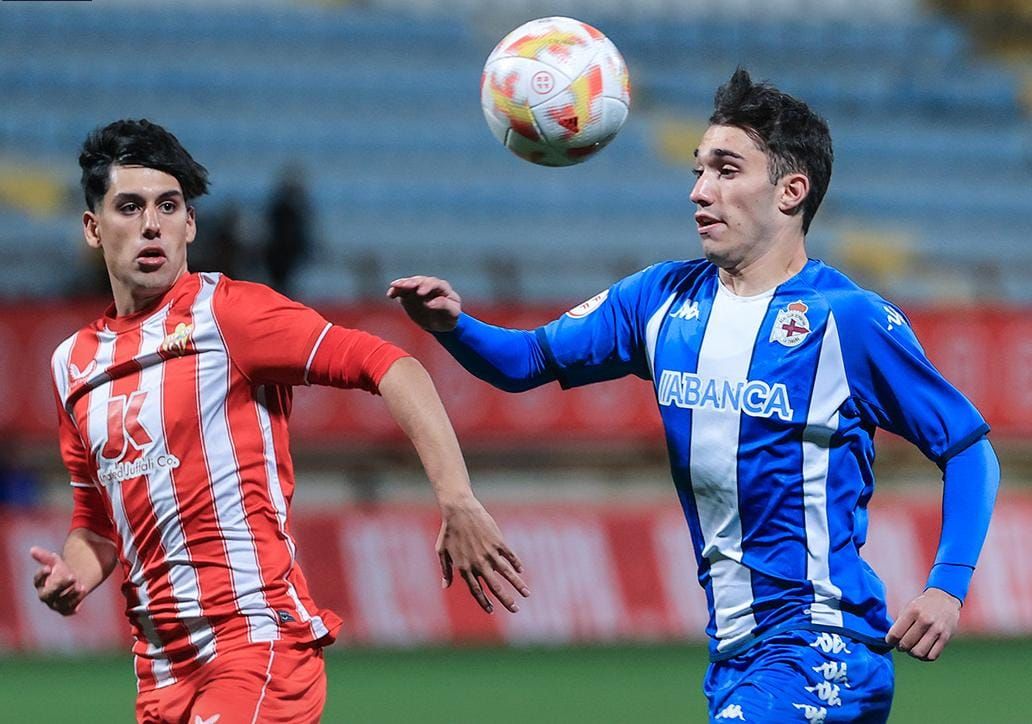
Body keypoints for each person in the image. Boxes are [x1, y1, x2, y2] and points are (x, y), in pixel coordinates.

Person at [388, 69, 999, 723]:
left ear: (792, 191)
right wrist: (454, 325)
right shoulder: (662, 299)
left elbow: (967, 449)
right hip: (735, 659)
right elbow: (528, 360)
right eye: (698, 170)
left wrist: (947, 586)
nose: (699, 191)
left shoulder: (844, 320)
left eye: (726, 170)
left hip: (822, 648)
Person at [32, 119, 529, 724]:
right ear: (93, 227)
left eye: (168, 206)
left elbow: (390, 365)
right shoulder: (72, 365)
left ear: (191, 223)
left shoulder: (232, 315)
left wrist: (458, 498)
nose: (152, 224)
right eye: (129, 207)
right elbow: (96, 528)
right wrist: (74, 573)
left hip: (256, 648)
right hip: (159, 671)